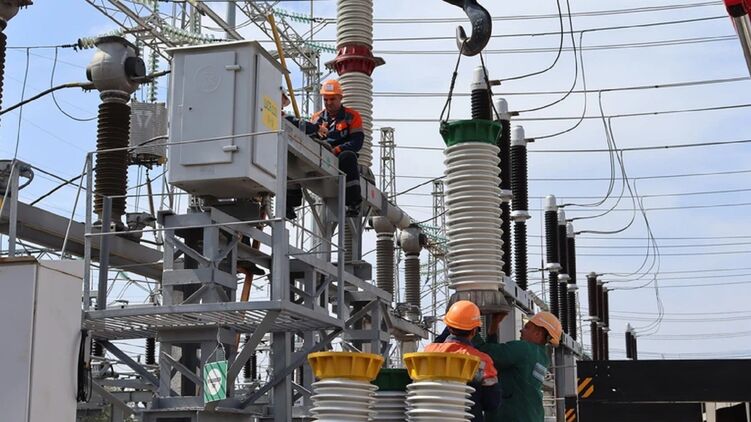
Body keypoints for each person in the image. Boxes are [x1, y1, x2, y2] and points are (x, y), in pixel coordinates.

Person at [284, 79, 364, 219]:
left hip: (340, 156)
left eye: (332, 99)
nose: (328, 102)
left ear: (340, 98)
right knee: (292, 154)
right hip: (319, 151)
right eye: (325, 99)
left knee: (348, 157)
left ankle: (353, 203)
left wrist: (337, 149)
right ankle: (290, 202)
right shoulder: (316, 118)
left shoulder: (352, 116)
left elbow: (357, 142)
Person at [474, 311, 563, 422]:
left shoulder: (525, 350)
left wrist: (471, 327)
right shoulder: (541, 357)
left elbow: (485, 353)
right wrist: (494, 326)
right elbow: (496, 360)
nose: (521, 330)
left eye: (527, 327)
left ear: (538, 334)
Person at [425, 300, 501, 421]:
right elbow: (491, 402)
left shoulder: (429, 352)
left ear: (448, 327)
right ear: (474, 331)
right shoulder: (481, 361)